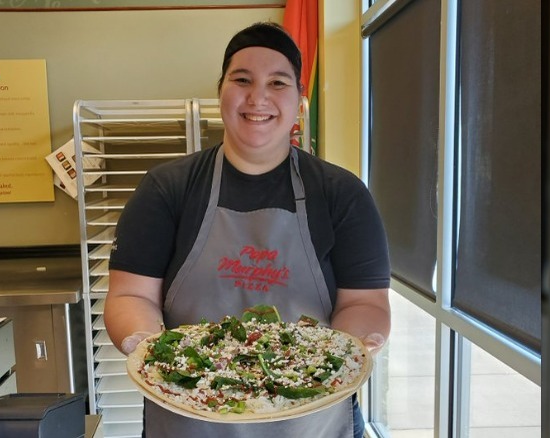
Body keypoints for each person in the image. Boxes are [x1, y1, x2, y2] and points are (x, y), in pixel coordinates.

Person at [105, 21, 391, 438]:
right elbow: (131, 294)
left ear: (298, 100)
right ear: (220, 89)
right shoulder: (167, 188)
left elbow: (365, 301)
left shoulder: (342, 193)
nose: (258, 97)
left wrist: (332, 361)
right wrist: (150, 348)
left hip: (311, 422)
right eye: (242, 80)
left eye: (278, 82)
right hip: (188, 416)